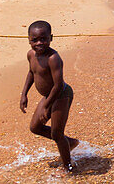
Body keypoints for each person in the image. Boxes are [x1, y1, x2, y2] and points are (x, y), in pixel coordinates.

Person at [20, 21, 78, 172]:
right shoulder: (31, 54)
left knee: (57, 133)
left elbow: (58, 86)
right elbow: (32, 73)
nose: (39, 43)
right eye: (35, 40)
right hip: (49, 96)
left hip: (61, 95)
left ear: (51, 38)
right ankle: (69, 143)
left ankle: (68, 167)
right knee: (35, 127)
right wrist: (24, 94)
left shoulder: (53, 58)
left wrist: (47, 106)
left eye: (43, 39)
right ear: (29, 40)